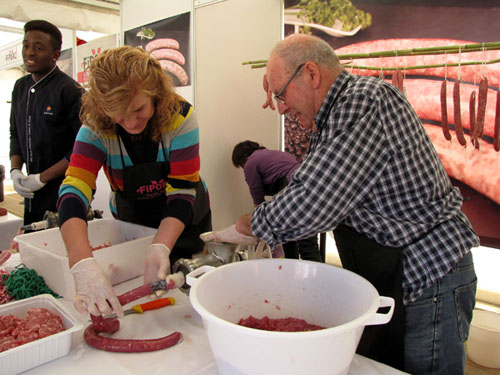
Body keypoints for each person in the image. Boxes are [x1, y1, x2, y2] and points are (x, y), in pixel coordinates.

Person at [201, 34, 479, 375]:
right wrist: (280, 82)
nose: (281, 107)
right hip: (400, 271)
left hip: (426, 273)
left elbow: (313, 198)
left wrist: (245, 226)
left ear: (312, 75)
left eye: (281, 94)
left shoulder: (363, 101)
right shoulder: (334, 116)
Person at [57, 46, 211, 318]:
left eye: (138, 109)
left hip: (183, 219)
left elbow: (183, 190)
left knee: (186, 301)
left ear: (155, 92)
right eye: (118, 114)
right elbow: (74, 189)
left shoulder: (181, 117)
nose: (130, 122)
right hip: (132, 221)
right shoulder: (95, 124)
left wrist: (161, 246)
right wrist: (81, 262)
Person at [9, 20, 83, 225]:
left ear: (55, 55)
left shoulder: (70, 91)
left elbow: (81, 148)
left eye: (38, 48)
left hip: (63, 192)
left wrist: (41, 178)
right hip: (31, 197)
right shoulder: (20, 87)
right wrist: (16, 171)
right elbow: (15, 131)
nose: (29, 52)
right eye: (26, 46)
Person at [232, 140, 322, 262]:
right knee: (303, 239)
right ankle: (302, 271)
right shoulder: (272, 155)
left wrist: (258, 226)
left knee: (301, 243)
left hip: (292, 188)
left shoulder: (251, 162)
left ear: (241, 159)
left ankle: (296, 271)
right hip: (310, 186)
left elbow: (257, 197)